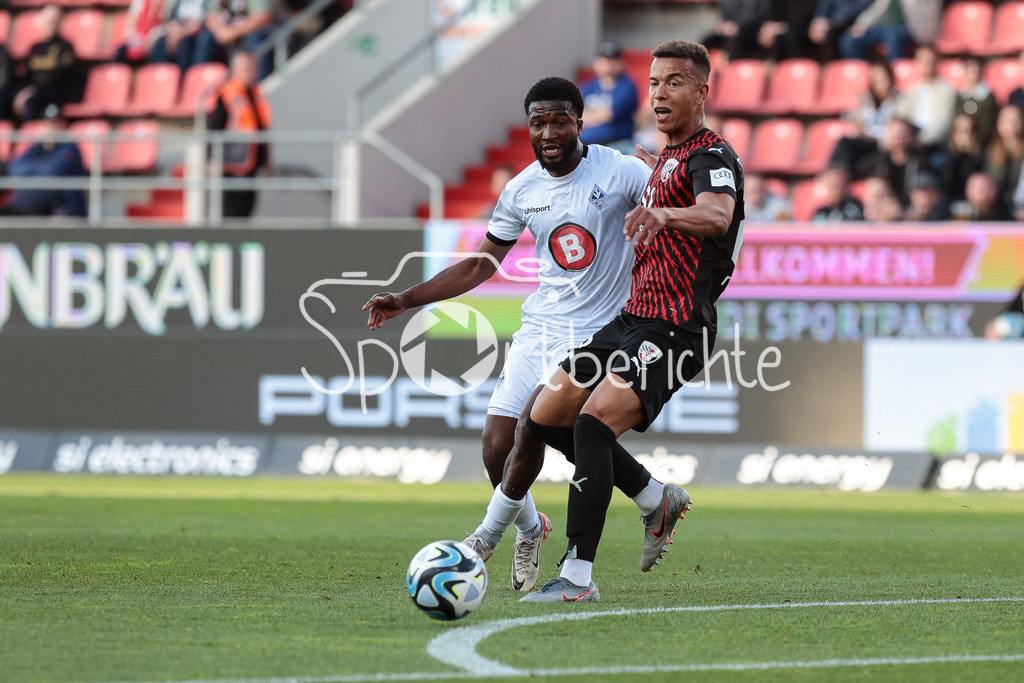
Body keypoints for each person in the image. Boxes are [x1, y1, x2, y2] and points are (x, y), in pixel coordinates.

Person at [364, 77, 663, 594]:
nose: (548, 132)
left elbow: (666, 206)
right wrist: (407, 299)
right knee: (495, 448)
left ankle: (485, 537)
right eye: (538, 122)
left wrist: (662, 182)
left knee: (541, 428)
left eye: (559, 121)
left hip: (597, 333)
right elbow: (482, 264)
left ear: (579, 123)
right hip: (540, 327)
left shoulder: (619, 170)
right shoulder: (522, 189)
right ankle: (535, 527)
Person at [520, 40, 745, 602]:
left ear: (701, 90)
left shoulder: (710, 157)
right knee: (546, 417)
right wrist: (656, 182)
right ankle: (653, 498)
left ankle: (576, 580)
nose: (660, 93)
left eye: (673, 82)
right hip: (632, 317)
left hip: (676, 325)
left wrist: (664, 210)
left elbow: (717, 216)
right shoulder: (665, 155)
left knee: (593, 425)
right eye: (653, 83)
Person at [206, 50, 271, 218]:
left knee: (247, 209)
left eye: (252, 67)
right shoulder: (226, 93)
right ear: (235, 69)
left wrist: (267, 161)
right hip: (232, 163)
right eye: (246, 67)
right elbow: (214, 128)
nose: (250, 71)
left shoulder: (257, 93)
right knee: (232, 209)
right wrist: (211, 158)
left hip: (251, 162)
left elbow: (262, 129)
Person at [1, 104, 86, 216]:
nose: (52, 129)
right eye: (48, 124)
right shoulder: (38, 148)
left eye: (56, 123)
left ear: (63, 125)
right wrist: (40, 168)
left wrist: (30, 175)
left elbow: (53, 173)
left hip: (61, 211)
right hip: (28, 212)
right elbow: (14, 169)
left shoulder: (70, 148)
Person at [11, 4, 81, 122]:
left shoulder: (65, 47)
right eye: (48, 21)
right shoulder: (35, 47)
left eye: (54, 21)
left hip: (55, 93)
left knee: (31, 103)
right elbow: (27, 74)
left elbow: (62, 75)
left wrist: (33, 90)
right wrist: (23, 91)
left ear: (60, 22)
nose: (51, 24)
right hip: (33, 91)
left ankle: (29, 136)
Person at [578, 42, 639, 154]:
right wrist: (596, 115)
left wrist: (589, 116)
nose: (607, 64)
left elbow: (608, 115)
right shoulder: (587, 87)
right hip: (587, 143)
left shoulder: (627, 86)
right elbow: (577, 117)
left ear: (620, 63)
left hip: (618, 144)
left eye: (612, 60)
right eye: (604, 60)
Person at [194, 0, 276, 81]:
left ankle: (259, 82)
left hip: (248, 33)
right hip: (226, 34)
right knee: (205, 38)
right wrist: (221, 32)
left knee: (255, 36)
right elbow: (210, 16)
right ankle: (198, 81)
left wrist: (232, 33)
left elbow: (263, 16)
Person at [893, 45, 956, 148]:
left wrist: (919, 140)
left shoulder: (947, 90)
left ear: (936, 61)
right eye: (922, 60)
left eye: (929, 60)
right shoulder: (912, 89)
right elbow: (900, 115)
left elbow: (943, 124)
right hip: (910, 139)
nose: (926, 64)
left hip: (933, 144)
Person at [839, 0, 941, 63]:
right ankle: (861, 77)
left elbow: (931, 11)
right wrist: (861, 24)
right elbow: (877, 9)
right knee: (850, 40)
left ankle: (897, 74)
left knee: (892, 35)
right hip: (884, 28)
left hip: (914, 27)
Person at [148, 0, 209, 72]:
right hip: (178, 29)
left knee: (186, 44)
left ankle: (186, 79)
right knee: (160, 45)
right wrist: (173, 31)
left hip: (196, 32)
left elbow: (207, 19)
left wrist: (182, 33)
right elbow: (171, 19)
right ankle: (161, 78)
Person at [984, 104, 1024, 212]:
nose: (1010, 125)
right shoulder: (989, 151)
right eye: (1006, 121)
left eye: (1015, 121)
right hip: (994, 208)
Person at [701, 0, 773, 61]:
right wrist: (723, 25)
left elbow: (759, 16)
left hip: (752, 30)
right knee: (706, 43)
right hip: (731, 30)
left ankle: (733, 72)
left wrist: (737, 27)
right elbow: (724, 16)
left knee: (734, 40)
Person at [938, 113, 986, 202]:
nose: (969, 135)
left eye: (973, 130)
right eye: (964, 131)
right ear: (954, 134)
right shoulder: (943, 158)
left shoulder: (985, 157)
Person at [807, 0, 874, 60]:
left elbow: (865, 6)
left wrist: (832, 22)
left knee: (847, 41)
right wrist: (818, 22)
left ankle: (853, 71)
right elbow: (822, 10)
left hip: (859, 25)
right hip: (833, 25)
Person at [954, 58, 998, 148]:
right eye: (970, 71)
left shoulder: (988, 96)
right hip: (960, 145)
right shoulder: (959, 95)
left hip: (982, 143)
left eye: (975, 71)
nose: (973, 75)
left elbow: (988, 121)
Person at [114, 0, 165, 64]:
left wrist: (151, 38)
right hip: (138, 39)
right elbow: (130, 25)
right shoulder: (140, 2)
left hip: (154, 41)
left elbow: (164, 27)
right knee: (121, 51)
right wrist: (134, 38)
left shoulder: (165, 3)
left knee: (159, 49)